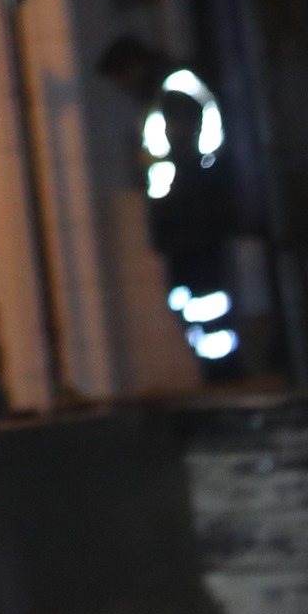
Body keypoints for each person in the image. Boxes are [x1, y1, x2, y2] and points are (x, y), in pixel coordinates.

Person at [98, 32, 244, 373]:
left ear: (132, 66)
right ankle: (217, 365)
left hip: (192, 218)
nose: (122, 87)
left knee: (204, 295)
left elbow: (182, 159)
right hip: (185, 218)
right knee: (192, 295)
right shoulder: (165, 92)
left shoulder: (174, 91)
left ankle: (223, 369)